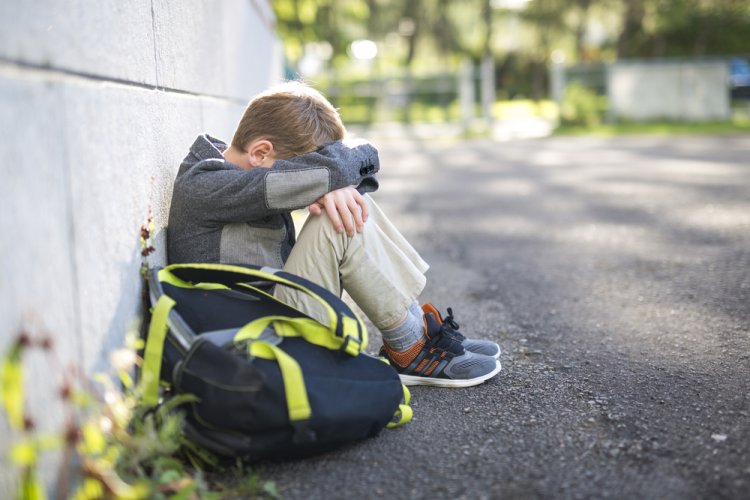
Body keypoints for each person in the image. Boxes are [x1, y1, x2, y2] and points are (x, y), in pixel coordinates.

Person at [167, 81, 501, 387]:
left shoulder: (247, 168)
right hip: (250, 341)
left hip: (270, 313)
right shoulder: (207, 186)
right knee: (336, 218)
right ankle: (410, 348)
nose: (307, 177)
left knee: (347, 201)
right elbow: (342, 167)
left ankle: (419, 334)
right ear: (260, 153)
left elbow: (360, 158)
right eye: (300, 169)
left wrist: (332, 183)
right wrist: (330, 181)